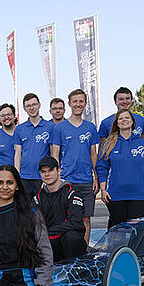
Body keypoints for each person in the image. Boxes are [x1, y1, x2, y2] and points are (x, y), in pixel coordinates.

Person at [51, 89, 98, 243]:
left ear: (85, 104)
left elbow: (93, 155)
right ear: (70, 104)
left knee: (85, 220)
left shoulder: (90, 127)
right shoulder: (59, 128)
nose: (78, 104)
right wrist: (56, 179)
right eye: (75, 101)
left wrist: (96, 177)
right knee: (65, 219)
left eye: (81, 101)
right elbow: (55, 155)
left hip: (86, 181)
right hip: (67, 181)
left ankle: (84, 252)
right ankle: (66, 252)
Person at [96, 110, 144, 229]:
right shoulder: (108, 144)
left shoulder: (141, 144)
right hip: (116, 195)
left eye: (127, 117)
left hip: (138, 195)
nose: (124, 120)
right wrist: (103, 189)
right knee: (117, 232)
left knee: (139, 232)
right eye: (121, 118)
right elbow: (102, 168)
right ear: (116, 123)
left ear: (133, 122)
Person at [33, 156, 87, 261]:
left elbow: (76, 223)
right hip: (48, 243)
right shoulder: (38, 198)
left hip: (67, 244)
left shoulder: (72, 194)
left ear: (59, 170)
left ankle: (74, 272)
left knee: (72, 237)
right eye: (43, 172)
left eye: (50, 170)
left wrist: (49, 232)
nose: (47, 174)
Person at [14, 93, 55, 198]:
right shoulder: (19, 129)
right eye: (28, 106)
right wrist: (17, 175)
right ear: (24, 108)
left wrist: (51, 176)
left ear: (39, 105)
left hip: (42, 177)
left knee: (43, 211)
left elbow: (53, 153)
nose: (32, 108)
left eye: (34, 104)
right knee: (24, 211)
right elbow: (18, 153)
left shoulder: (50, 127)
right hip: (24, 177)